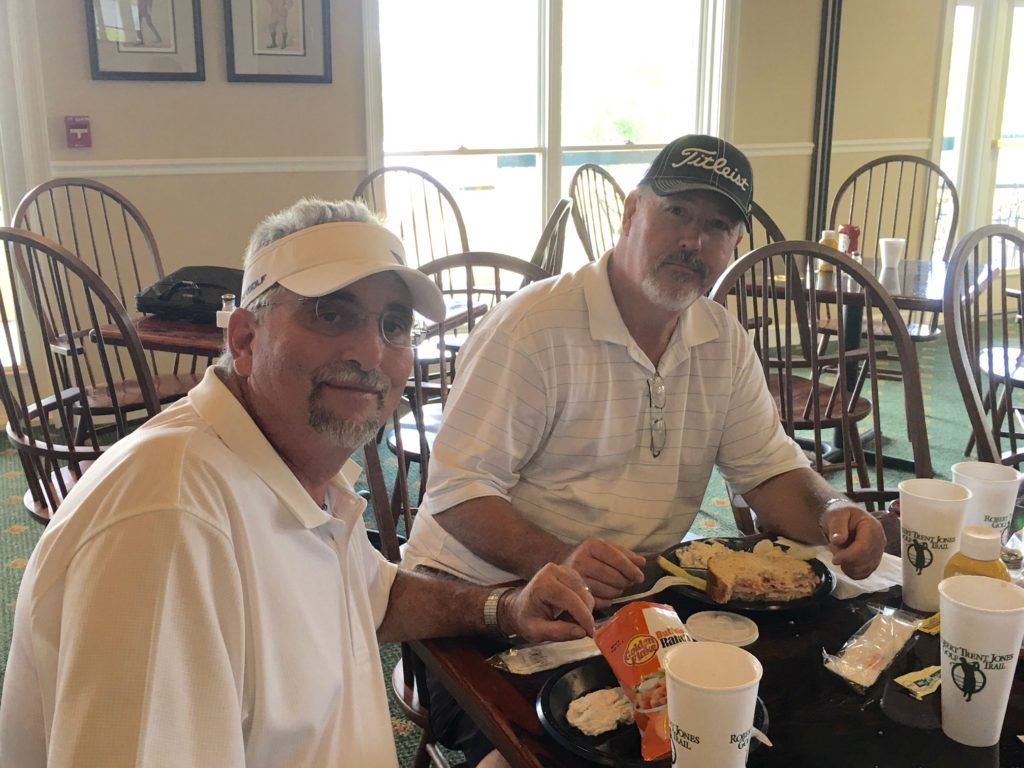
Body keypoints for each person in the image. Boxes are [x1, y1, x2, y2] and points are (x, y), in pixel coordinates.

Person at [0, 199, 596, 767]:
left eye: (394, 324)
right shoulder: (171, 520)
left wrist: (505, 609)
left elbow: (372, 596)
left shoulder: (297, 469)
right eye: (331, 313)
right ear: (243, 339)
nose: (370, 351)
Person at [402, 135, 887, 764]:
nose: (694, 240)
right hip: (475, 612)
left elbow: (770, 471)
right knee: (578, 749)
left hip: (628, 608)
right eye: (677, 213)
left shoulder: (722, 340)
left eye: (717, 225)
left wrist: (832, 514)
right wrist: (560, 559)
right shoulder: (533, 330)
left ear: (734, 245)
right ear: (631, 213)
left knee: (773, 710)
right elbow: (456, 491)